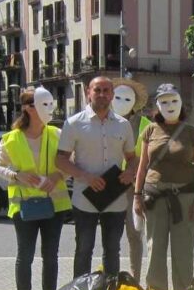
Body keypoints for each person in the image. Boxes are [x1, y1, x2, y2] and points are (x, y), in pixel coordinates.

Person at [0, 87, 71, 290]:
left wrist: (57, 176)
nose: (49, 109)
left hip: (54, 205)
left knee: (51, 256)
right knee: (25, 256)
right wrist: (17, 175)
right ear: (28, 108)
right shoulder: (11, 139)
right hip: (24, 207)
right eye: (43, 105)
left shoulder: (56, 134)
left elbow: (69, 163)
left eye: (50, 104)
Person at [55, 76, 137, 278]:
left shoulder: (123, 125)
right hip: (85, 198)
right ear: (88, 93)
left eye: (106, 90)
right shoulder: (73, 124)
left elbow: (133, 159)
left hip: (115, 199)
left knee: (112, 250)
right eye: (97, 90)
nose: (102, 94)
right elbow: (60, 160)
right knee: (84, 249)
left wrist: (130, 172)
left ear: (112, 95)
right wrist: (85, 176)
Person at [133, 84, 194, 290]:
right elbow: (142, 166)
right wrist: (137, 196)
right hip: (154, 196)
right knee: (155, 247)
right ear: (157, 106)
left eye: (174, 100)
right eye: (164, 102)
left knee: (183, 249)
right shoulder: (149, 130)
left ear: (181, 103)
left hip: (185, 197)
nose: (169, 105)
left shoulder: (193, 132)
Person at [110, 77, 149, 282]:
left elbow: (150, 158)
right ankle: (111, 278)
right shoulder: (104, 122)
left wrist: (136, 182)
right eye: (117, 97)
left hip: (134, 189)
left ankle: (135, 278)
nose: (122, 102)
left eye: (127, 98)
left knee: (135, 235)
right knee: (111, 236)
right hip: (108, 188)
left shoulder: (146, 125)